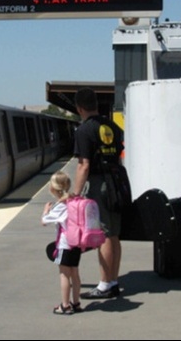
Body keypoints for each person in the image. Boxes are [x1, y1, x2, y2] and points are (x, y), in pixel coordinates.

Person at [72, 88, 124, 299]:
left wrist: (75, 194)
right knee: (114, 234)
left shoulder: (84, 131)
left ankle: (105, 284)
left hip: (99, 184)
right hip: (117, 182)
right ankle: (113, 280)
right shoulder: (112, 126)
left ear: (79, 108)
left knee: (103, 235)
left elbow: (84, 165)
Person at [41, 171, 83, 315]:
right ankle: (76, 303)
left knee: (64, 275)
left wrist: (46, 211)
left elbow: (44, 222)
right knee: (75, 273)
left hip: (65, 244)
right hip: (77, 243)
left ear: (53, 189)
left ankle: (65, 306)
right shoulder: (74, 200)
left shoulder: (60, 205)